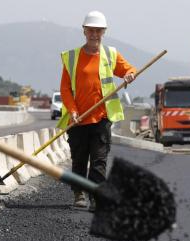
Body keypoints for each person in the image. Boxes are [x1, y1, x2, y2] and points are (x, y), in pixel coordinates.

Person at [57, 10, 136, 211]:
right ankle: (79, 193)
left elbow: (129, 70)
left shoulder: (110, 55)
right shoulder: (72, 57)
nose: (94, 34)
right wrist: (73, 111)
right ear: (84, 31)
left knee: (99, 160)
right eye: (91, 30)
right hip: (78, 119)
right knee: (79, 159)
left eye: (98, 31)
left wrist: (129, 75)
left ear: (104, 32)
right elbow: (65, 88)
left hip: (101, 118)